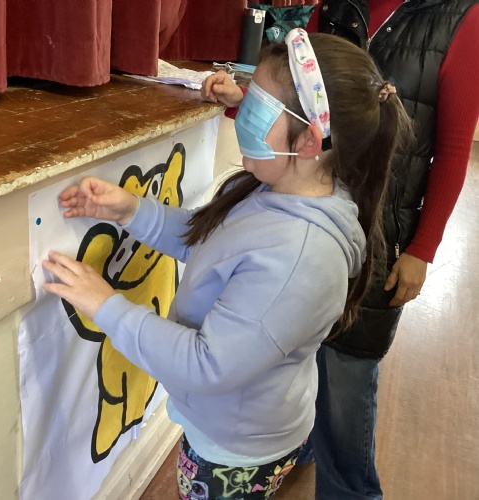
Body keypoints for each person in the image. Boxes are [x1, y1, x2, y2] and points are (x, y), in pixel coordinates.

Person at [42, 29, 412, 499]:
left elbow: (206, 365)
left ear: (308, 141)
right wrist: (130, 211)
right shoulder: (275, 189)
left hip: (236, 451)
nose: (243, 111)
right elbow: (210, 242)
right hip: (227, 421)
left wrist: (106, 305)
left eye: (259, 107)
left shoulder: (300, 258)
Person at [202, 1, 479, 498]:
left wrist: (423, 248)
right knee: (303, 356)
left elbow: (454, 149)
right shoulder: (335, 7)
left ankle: (350, 489)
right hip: (304, 219)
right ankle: (306, 449)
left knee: (349, 381)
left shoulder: (460, 18)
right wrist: (248, 103)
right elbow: (301, 106)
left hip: (380, 236)